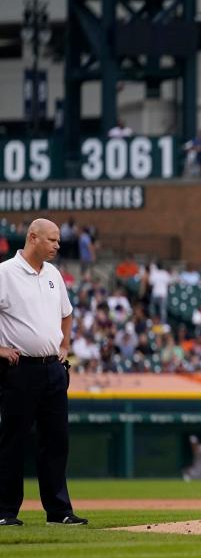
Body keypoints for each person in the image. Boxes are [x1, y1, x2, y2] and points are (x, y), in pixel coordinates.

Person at [0, 219, 87, 526]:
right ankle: (5, 511)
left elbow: (67, 313)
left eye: (58, 241)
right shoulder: (5, 273)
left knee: (56, 442)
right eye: (52, 240)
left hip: (52, 368)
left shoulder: (53, 275)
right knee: (13, 441)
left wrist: (65, 345)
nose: (57, 246)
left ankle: (59, 511)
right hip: (18, 370)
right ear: (33, 238)